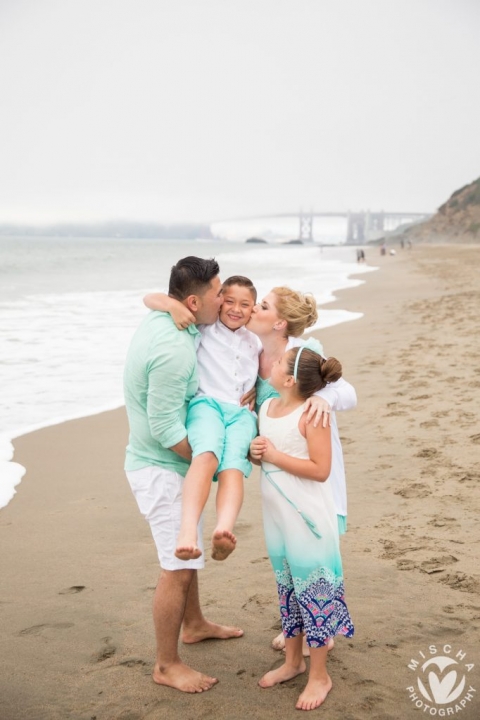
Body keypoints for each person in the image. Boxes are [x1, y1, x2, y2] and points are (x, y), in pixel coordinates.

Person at [123, 256, 243, 695]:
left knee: (187, 554)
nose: (225, 299)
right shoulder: (174, 348)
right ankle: (166, 663)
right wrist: (208, 461)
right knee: (178, 562)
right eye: (218, 295)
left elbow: (154, 298)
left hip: (164, 462)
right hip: (157, 467)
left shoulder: (169, 315)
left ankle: (193, 624)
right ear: (194, 301)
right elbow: (164, 428)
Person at [245, 287, 356, 654]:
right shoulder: (248, 352)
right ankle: (299, 628)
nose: (249, 309)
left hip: (308, 465)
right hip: (276, 474)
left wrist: (323, 397)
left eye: (260, 305)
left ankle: (318, 629)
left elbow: (347, 392)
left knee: (315, 554)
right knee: (287, 558)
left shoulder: (302, 357)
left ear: (279, 322)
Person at [250, 344, 354, 711]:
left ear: (290, 378)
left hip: (308, 516)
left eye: (278, 362)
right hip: (276, 515)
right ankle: (292, 662)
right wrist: (257, 453)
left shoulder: (312, 414)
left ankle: (319, 675)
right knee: (289, 587)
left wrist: (274, 455)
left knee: (316, 590)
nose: (272, 362)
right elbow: (267, 458)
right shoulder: (266, 408)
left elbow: (320, 469)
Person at [143, 276, 261, 562]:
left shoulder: (255, 340)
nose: (236, 309)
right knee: (205, 455)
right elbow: (148, 298)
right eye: (229, 301)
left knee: (233, 466)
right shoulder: (204, 329)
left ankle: (223, 529)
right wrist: (173, 306)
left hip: (242, 414)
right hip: (207, 405)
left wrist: (258, 386)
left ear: (253, 309)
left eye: (245, 304)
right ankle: (187, 531)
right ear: (219, 303)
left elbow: (271, 372)